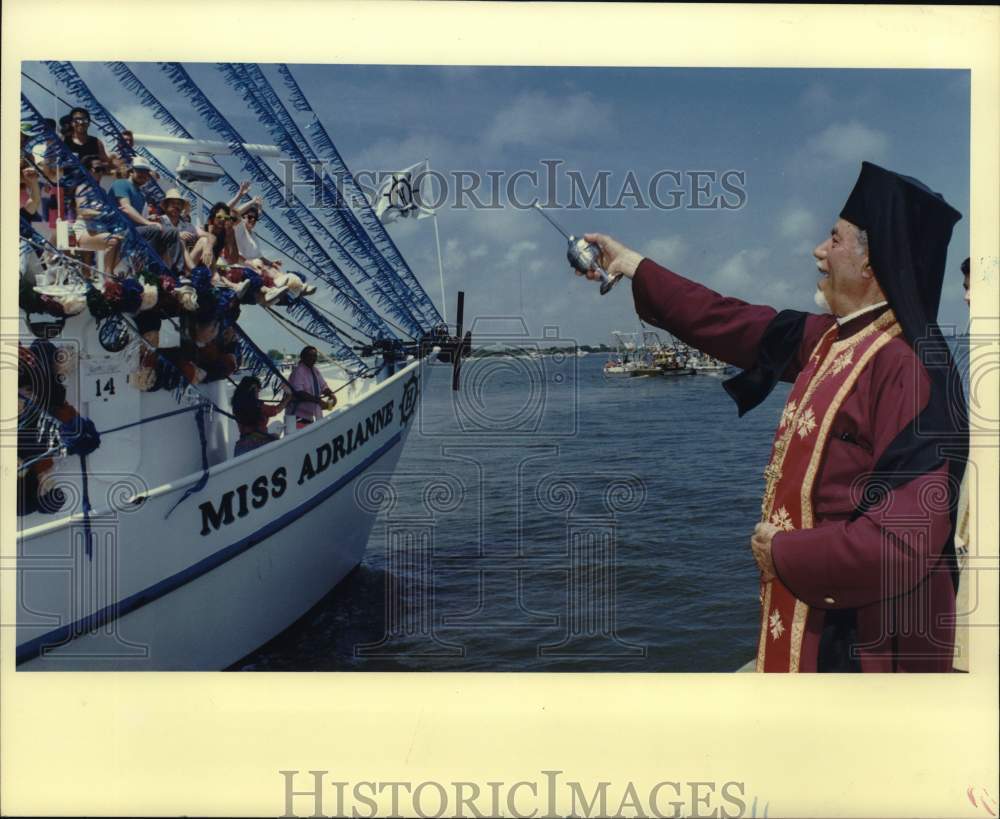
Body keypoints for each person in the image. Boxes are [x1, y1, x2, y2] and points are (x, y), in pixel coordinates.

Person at [576, 161, 966, 673]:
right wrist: (632, 264)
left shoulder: (911, 368)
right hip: (816, 611)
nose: (818, 252)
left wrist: (785, 553)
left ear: (876, 263)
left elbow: (908, 535)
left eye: (834, 239)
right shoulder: (833, 338)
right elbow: (728, 320)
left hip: (869, 639)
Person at [109, 157, 185, 275]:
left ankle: (177, 273)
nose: (143, 175)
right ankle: (148, 272)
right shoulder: (121, 183)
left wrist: (149, 219)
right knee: (154, 229)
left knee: (172, 231)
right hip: (119, 231)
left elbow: (138, 218)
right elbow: (126, 208)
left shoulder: (140, 194)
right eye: (139, 171)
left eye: (146, 172)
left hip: (135, 231)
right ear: (131, 171)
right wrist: (148, 223)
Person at [231, 376, 291, 456]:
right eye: (257, 392)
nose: (258, 395)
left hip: (242, 445)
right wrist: (288, 397)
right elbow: (276, 410)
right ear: (253, 391)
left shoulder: (237, 405)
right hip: (259, 444)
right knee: (276, 438)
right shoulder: (258, 406)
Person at [287, 346, 336, 429]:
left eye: (315, 356)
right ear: (303, 357)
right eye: (310, 355)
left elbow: (323, 386)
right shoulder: (298, 371)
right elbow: (299, 392)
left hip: (310, 415)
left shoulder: (315, 370)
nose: (313, 358)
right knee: (302, 439)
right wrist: (319, 401)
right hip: (297, 415)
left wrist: (331, 395)